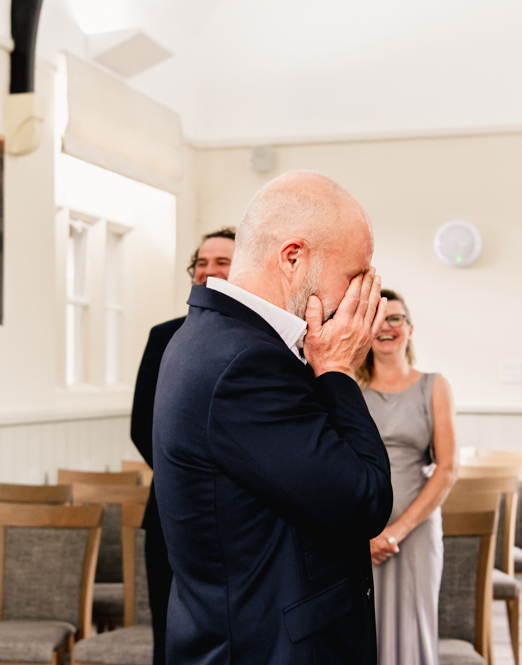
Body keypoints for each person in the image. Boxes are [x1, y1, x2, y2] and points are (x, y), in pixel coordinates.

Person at [153, 170, 394, 665]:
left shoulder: (213, 336)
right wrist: (341, 371)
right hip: (265, 647)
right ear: (293, 257)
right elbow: (363, 501)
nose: (362, 297)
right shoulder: (246, 361)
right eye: (355, 276)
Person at [130, 227, 236, 665]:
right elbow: (143, 426)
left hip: (240, 519)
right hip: (173, 510)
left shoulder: (267, 340)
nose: (208, 271)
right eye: (201, 263)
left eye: (222, 262)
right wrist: (195, 482)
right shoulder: (164, 336)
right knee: (172, 634)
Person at [359, 290, 459, 665]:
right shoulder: (349, 389)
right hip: (358, 532)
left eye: (395, 318)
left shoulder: (434, 386)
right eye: (378, 319)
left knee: (414, 626)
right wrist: (364, 535)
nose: (386, 326)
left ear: (410, 328)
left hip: (414, 533)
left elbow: (448, 468)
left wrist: (395, 531)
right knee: (362, 626)